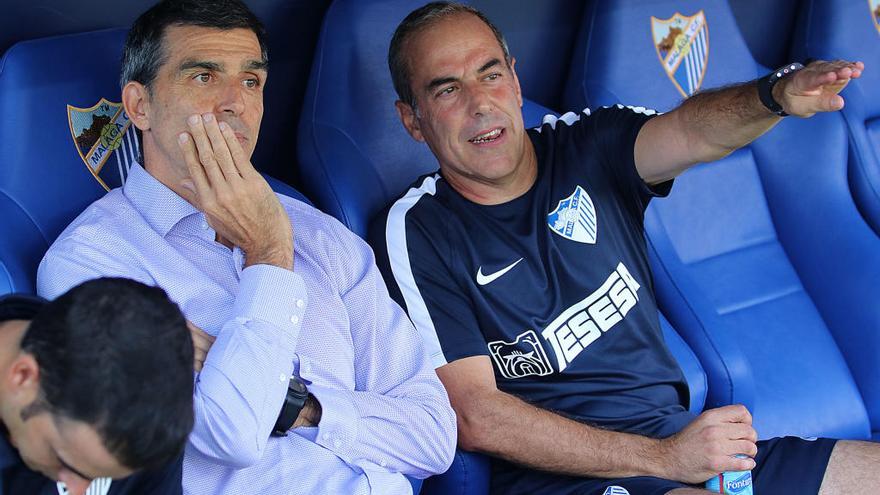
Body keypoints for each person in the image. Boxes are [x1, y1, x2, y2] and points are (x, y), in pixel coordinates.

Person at [371, 2, 879, 494]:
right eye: (446, 90)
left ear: (516, 81)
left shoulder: (588, 143)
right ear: (412, 120)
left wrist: (774, 96)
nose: (480, 103)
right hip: (568, 479)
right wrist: (663, 459)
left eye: (490, 74)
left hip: (686, 446)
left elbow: (691, 131)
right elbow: (475, 416)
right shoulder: (418, 230)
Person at [37, 1, 456, 494]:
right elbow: (231, 435)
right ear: (139, 106)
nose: (235, 102)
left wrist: (295, 404)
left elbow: (434, 438)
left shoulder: (320, 232)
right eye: (203, 77)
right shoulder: (90, 264)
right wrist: (269, 253)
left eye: (251, 81)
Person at [0, 278, 192, 495]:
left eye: (103, 478)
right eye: (64, 463)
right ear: (23, 376)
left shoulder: (150, 413)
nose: (77, 492)